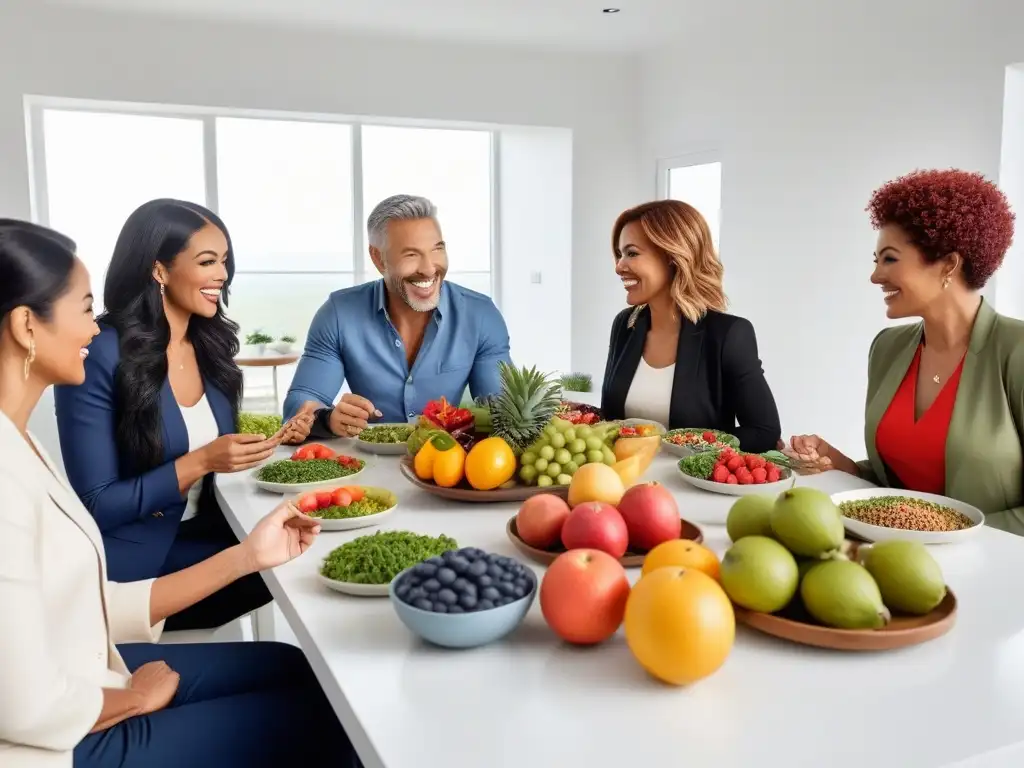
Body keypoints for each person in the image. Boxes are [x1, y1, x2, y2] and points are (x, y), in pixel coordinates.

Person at [0, 219, 357, 768]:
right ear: (27, 325)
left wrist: (247, 554)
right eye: (83, 309)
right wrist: (134, 697)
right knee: (326, 718)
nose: (94, 329)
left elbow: (81, 605)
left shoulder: (21, 444)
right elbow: (27, 707)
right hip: (55, 744)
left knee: (303, 670)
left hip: (87, 666)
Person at [54, 199, 304, 630]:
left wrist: (285, 435)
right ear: (159, 270)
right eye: (207, 261)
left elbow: (223, 454)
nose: (222, 275)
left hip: (211, 528)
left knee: (312, 537)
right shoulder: (100, 352)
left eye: (225, 261)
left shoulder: (211, 346)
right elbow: (96, 504)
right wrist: (200, 462)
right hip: (139, 564)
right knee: (294, 562)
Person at [785, 169, 1024, 533]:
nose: (875, 276)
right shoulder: (888, 348)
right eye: (876, 260)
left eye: (890, 259)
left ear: (948, 264)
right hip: (897, 561)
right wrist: (842, 465)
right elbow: (902, 490)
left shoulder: (1015, 350)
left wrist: (950, 537)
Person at [282, 193, 512, 442]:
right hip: (368, 465)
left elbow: (503, 409)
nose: (428, 268)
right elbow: (298, 405)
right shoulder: (338, 314)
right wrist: (328, 419)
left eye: (437, 249)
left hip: (446, 465)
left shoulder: (481, 315)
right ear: (378, 258)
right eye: (411, 254)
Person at [601, 200, 781, 453]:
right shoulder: (625, 324)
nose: (619, 266)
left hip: (690, 487)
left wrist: (681, 448)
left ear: (673, 257)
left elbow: (764, 431)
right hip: (621, 480)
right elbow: (612, 419)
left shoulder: (729, 335)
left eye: (631, 253)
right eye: (619, 255)